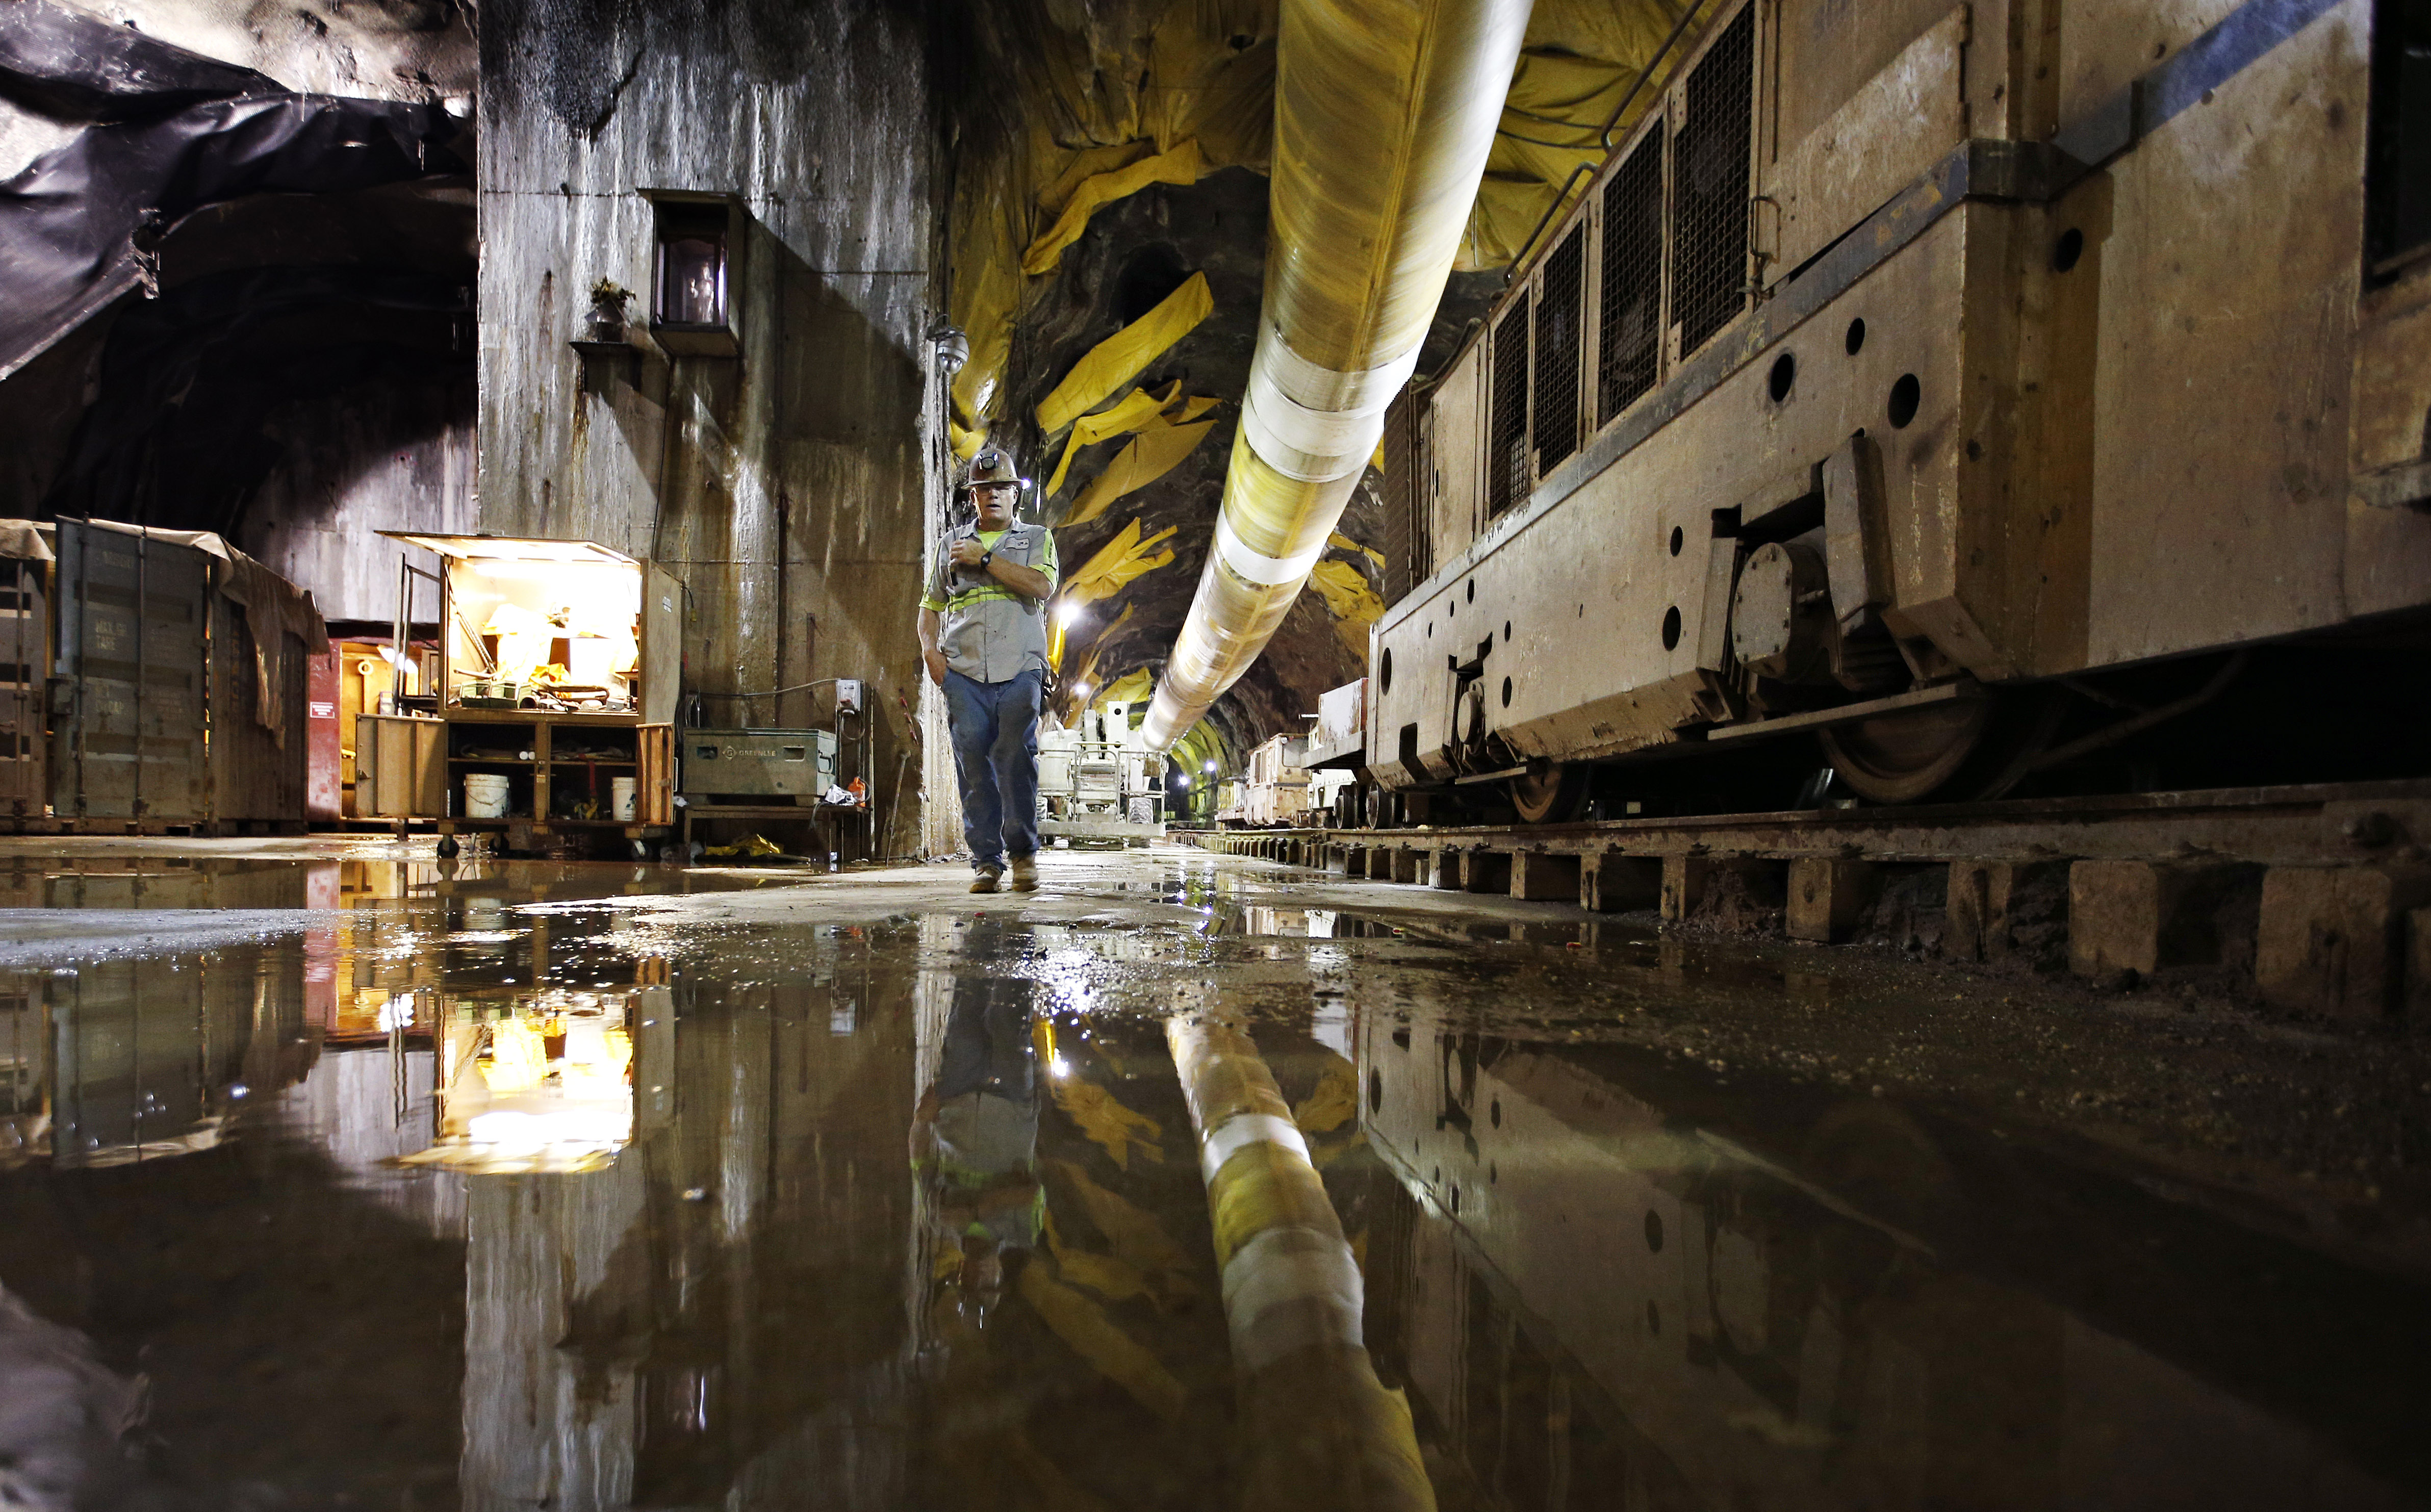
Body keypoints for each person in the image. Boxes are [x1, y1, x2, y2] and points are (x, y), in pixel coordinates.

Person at [919, 448, 1058, 893]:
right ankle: (986, 862)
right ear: (973, 497)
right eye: (983, 489)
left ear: (1015, 496)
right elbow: (929, 608)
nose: (992, 495)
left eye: (1001, 487)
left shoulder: (1036, 538)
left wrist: (984, 559)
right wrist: (930, 653)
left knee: (1015, 755)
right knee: (974, 761)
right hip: (963, 673)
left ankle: (1022, 855)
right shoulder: (949, 545)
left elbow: (1041, 586)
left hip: (1020, 667)